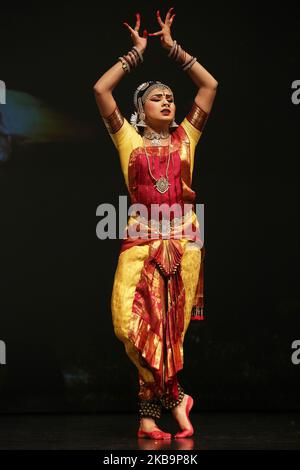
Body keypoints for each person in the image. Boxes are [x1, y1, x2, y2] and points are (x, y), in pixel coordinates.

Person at [93, 8, 218, 439]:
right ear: (140, 113)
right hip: (140, 243)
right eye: (157, 97)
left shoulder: (187, 138)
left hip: (184, 245)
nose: (168, 100)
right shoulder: (127, 140)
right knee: (129, 326)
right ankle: (178, 397)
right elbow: (100, 89)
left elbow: (209, 85)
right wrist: (137, 54)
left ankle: (149, 419)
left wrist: (174, 50)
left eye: (170, 97)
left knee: (169, 337)